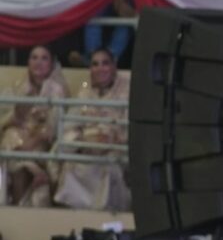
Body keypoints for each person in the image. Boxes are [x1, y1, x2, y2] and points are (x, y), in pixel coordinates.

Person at [52, 48, 131, 211]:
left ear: (114, 66)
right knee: (69, 166)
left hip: (114, 150)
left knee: (110, 168)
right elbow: (69, 125)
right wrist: (81, 141)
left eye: (105, 63)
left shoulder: (127, 91)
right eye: (95, 64)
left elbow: (131, 129)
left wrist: (110, 141)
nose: (100, 68)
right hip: (87, 150)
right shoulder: (84, 92)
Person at [0, 45, 69, 206]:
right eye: (34, 57)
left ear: (51, 64)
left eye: (44, 58)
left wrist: (32, 141)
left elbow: (54, 126)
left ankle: (21, 201)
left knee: (16, 151)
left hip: (42, 142)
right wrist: (15, 117)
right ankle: (32, 172)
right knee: (11, 137)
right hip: (16, 141)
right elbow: (5, 119)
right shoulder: (18, 86)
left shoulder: (57, 90)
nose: (38, 62)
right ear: (28, 62)